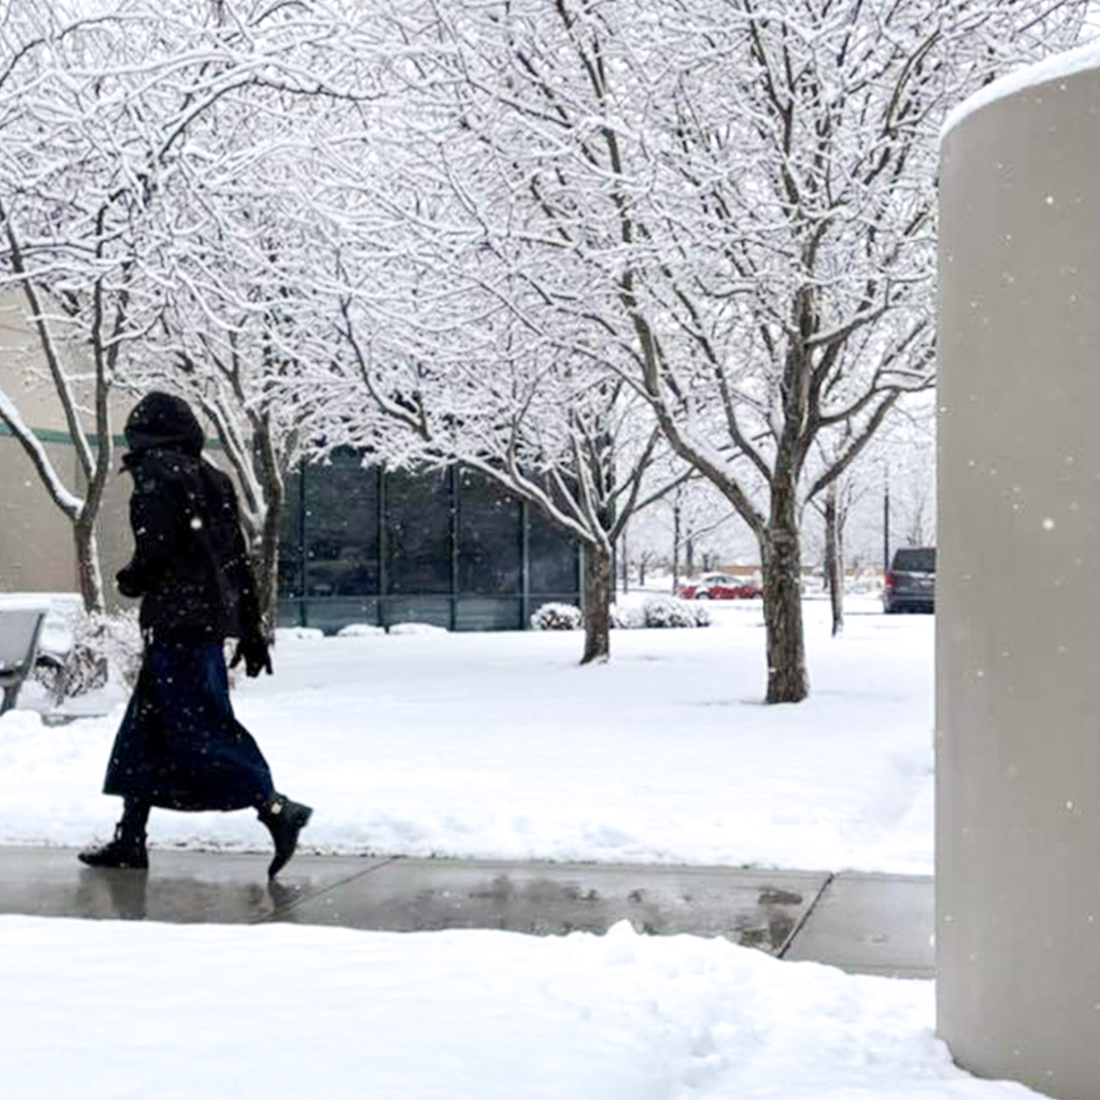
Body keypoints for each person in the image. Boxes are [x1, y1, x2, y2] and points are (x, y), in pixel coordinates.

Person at [79, 392, 311, 879]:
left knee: (199, 728)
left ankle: (277, 809)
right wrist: (250, 630)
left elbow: (158, 547)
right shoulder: (214, 478)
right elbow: (235, 561)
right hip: (202, 625)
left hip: (177, 625)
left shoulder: (156, 475)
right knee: (145, 731)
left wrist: (133, 579)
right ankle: (131, 838)